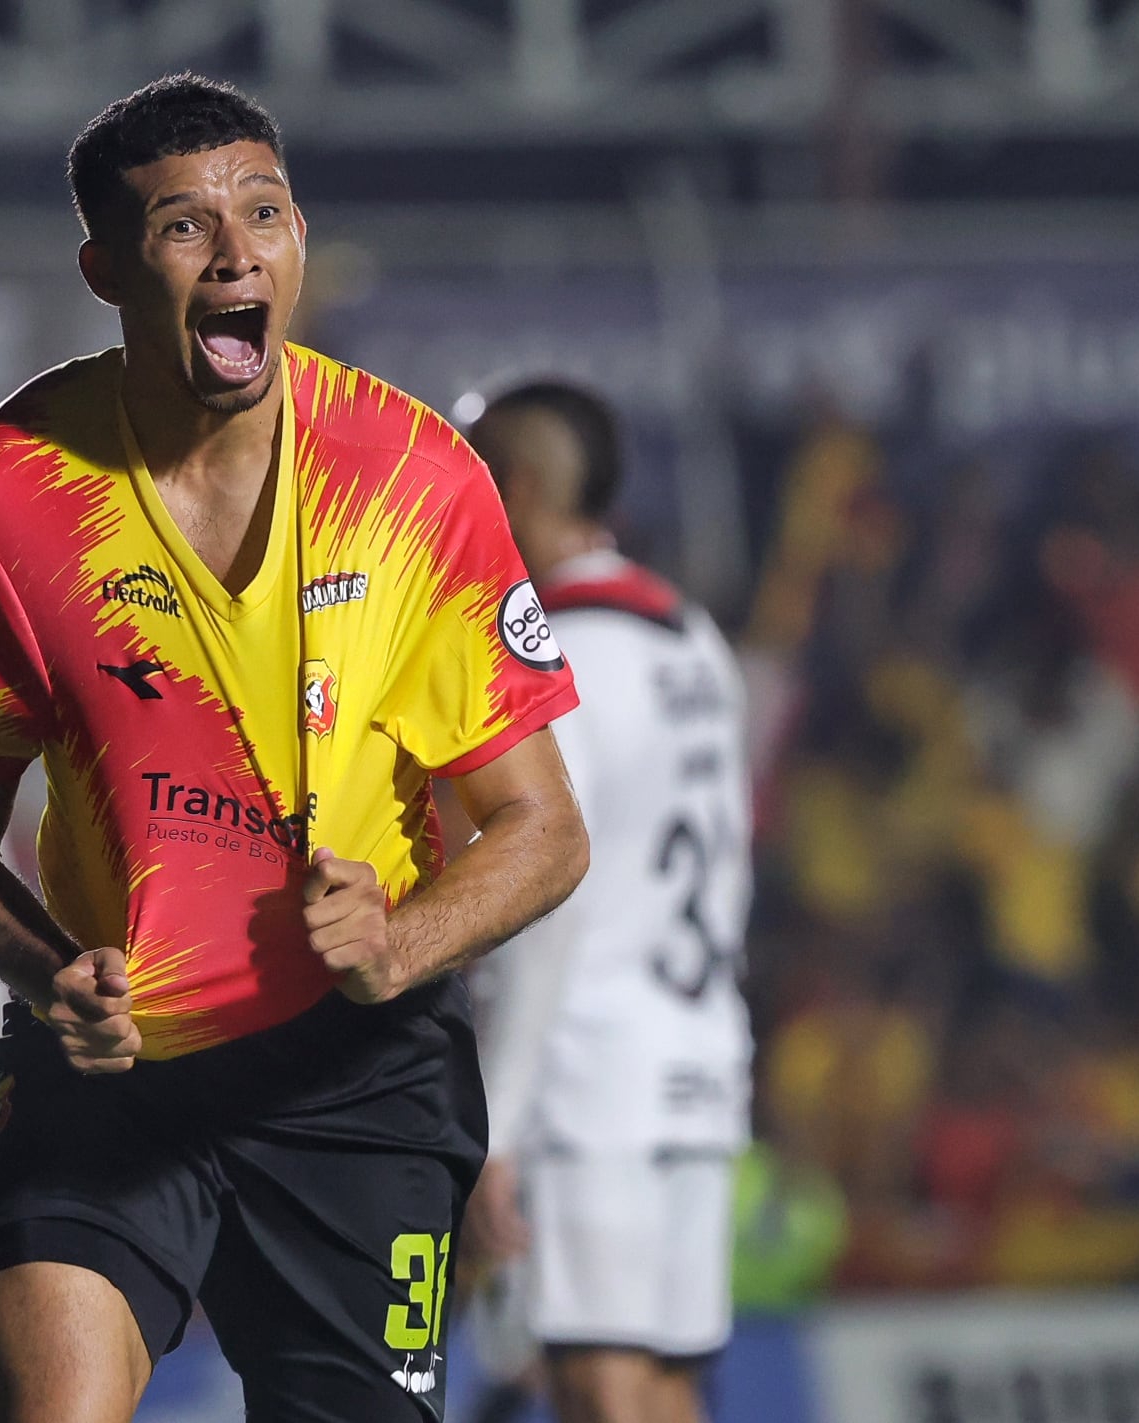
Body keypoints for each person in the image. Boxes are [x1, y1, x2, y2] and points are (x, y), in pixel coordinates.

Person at [0, 74, 590, 1423]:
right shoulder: (2, 495)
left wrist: (402, 940)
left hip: (355, 1076)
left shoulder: (414, 477)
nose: (237, 251)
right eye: (183, 227)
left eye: (263, 211)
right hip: (111, 1075)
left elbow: (543, 829)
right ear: (103, 267)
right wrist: (49, 972)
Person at [459, 382, 754, 1423]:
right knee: (664, 1381)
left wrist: (493, 1120)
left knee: (600, 1386)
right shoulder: (692, 638)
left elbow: (548, 891)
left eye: (476, 468)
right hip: (699, 1051)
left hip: (593, 1070)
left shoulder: (555, 650)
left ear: (521, 484)